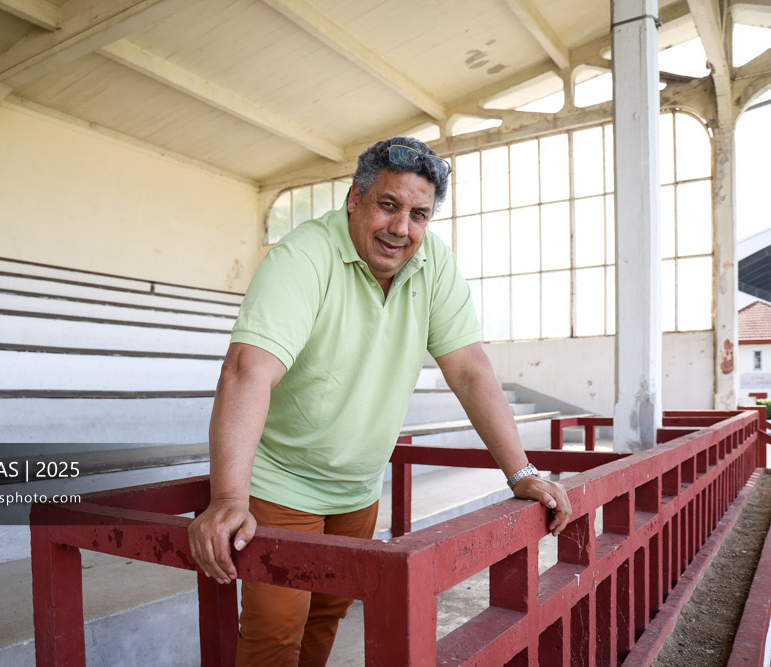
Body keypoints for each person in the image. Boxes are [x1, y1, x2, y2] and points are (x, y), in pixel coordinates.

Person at [188, 136, 572, 666]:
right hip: (284, 485)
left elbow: (469, 369)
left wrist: (520, 473)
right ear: (355, 199)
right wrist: (228, 498)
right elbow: (246, 370)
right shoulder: (304, 256)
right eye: (388, 205)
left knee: (327, 615)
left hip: (359, 489)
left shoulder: (434, 262)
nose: (400, 228)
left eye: (419, 214)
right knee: (274, 635)